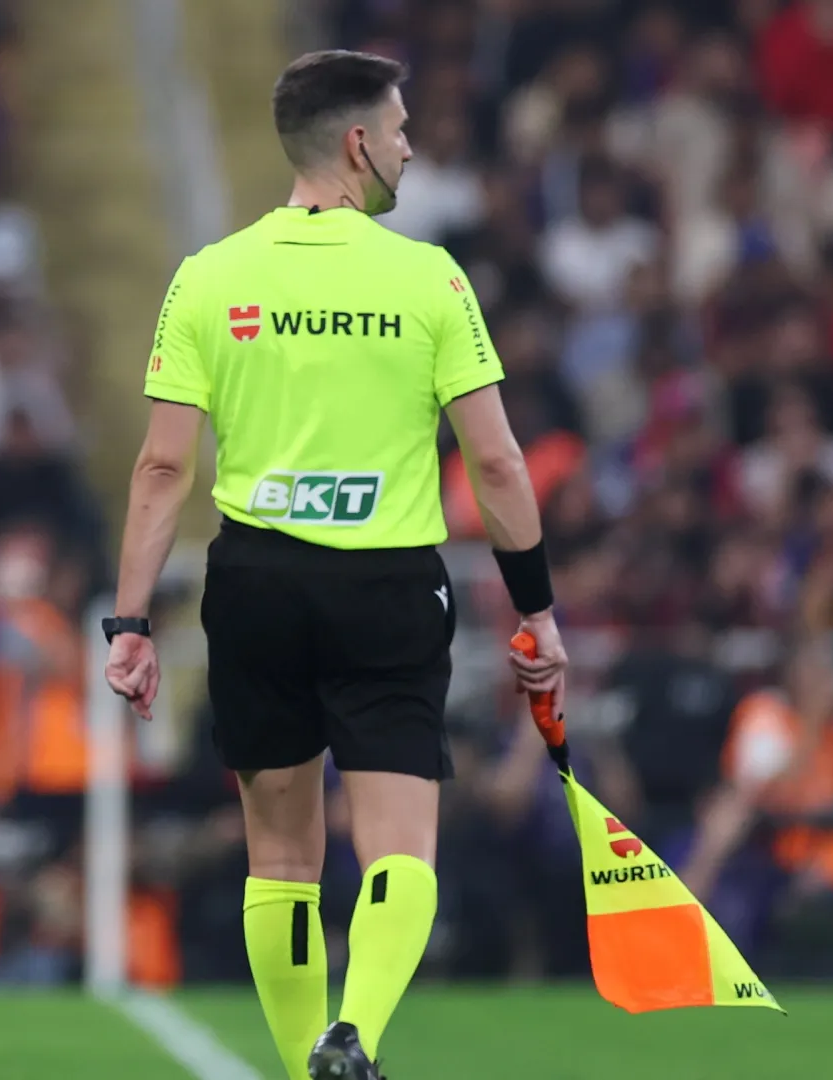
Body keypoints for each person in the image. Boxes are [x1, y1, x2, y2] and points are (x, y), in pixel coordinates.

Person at [101, 50, 568, 1080]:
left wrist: (131, 625)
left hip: (257, 582)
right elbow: (494, 460)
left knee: (281, 859)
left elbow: (164, 464)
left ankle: (304, 1057)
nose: (408, 146)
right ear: (357, 142)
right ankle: (355, 1032)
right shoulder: (428, 277)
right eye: (399, 129)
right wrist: (538, 611)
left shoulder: (211, 275)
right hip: (388, 585)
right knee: (401, 846)